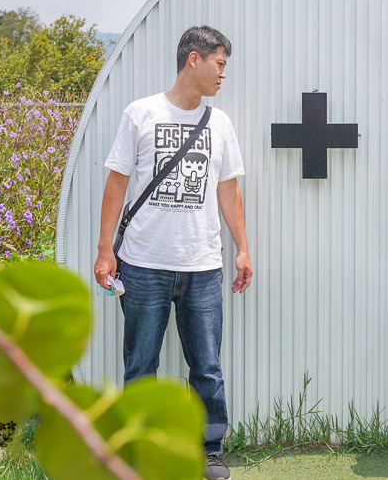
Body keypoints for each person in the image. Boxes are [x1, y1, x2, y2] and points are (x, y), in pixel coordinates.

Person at [93, 25, 252, 480]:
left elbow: (228, 190)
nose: (223, 74)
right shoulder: (140, 113)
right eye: (219, 64)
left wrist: (243, 248)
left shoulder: (219, 123)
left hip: (203, 266)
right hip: (142, 265)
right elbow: (116, 185)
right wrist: (106, 251)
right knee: (141, 364)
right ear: (194, 60)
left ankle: (209, 449)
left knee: (206, 366)